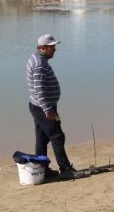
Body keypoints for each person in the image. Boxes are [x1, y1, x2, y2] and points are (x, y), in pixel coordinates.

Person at [26, 34, 77, 180]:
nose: (55, 50)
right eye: (52, 47)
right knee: (57, 136)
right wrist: (48, 109)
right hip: (43, 107)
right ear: (43, 48)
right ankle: (65, 169)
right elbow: (39, 89)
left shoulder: (39, 59)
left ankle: (42, 170)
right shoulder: (39, 64)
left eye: (54, 47)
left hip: (39, 106)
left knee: (42, 139)